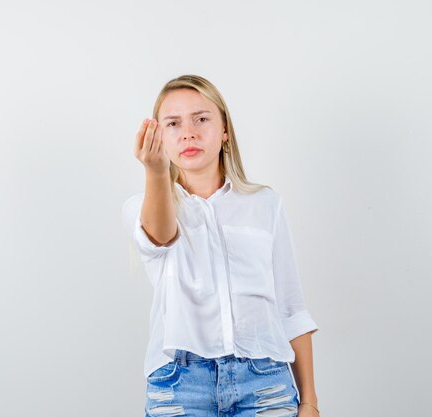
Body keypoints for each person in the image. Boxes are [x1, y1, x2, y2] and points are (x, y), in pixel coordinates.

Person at [121, 75, 320, 417]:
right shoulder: (141, 207)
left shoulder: (265, 204)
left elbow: (290, 309)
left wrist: (310, 403)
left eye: (201, 119)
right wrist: (155, 172)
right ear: (160, 137)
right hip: (180, 386)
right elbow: (162, 236)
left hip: (265, 383)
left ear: (224, 129)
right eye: (173, 123)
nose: (188, 132)